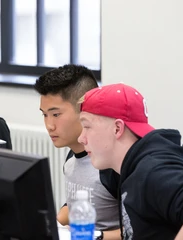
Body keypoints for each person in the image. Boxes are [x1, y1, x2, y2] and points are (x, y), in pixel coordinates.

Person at [78, 83, 183, 239]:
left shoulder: (155, 169)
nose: (81, 138)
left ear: (117, 128)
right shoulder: (129, 168)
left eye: (86, 126)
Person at [34, 64, 121, 239]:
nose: (49, 126)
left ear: (84, 110)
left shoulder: (112, 164)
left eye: (56, 114)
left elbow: (136, 229)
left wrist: (95, 237)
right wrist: (53, 221)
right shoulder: (72, 155)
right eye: (44, 115)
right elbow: (76, 203)